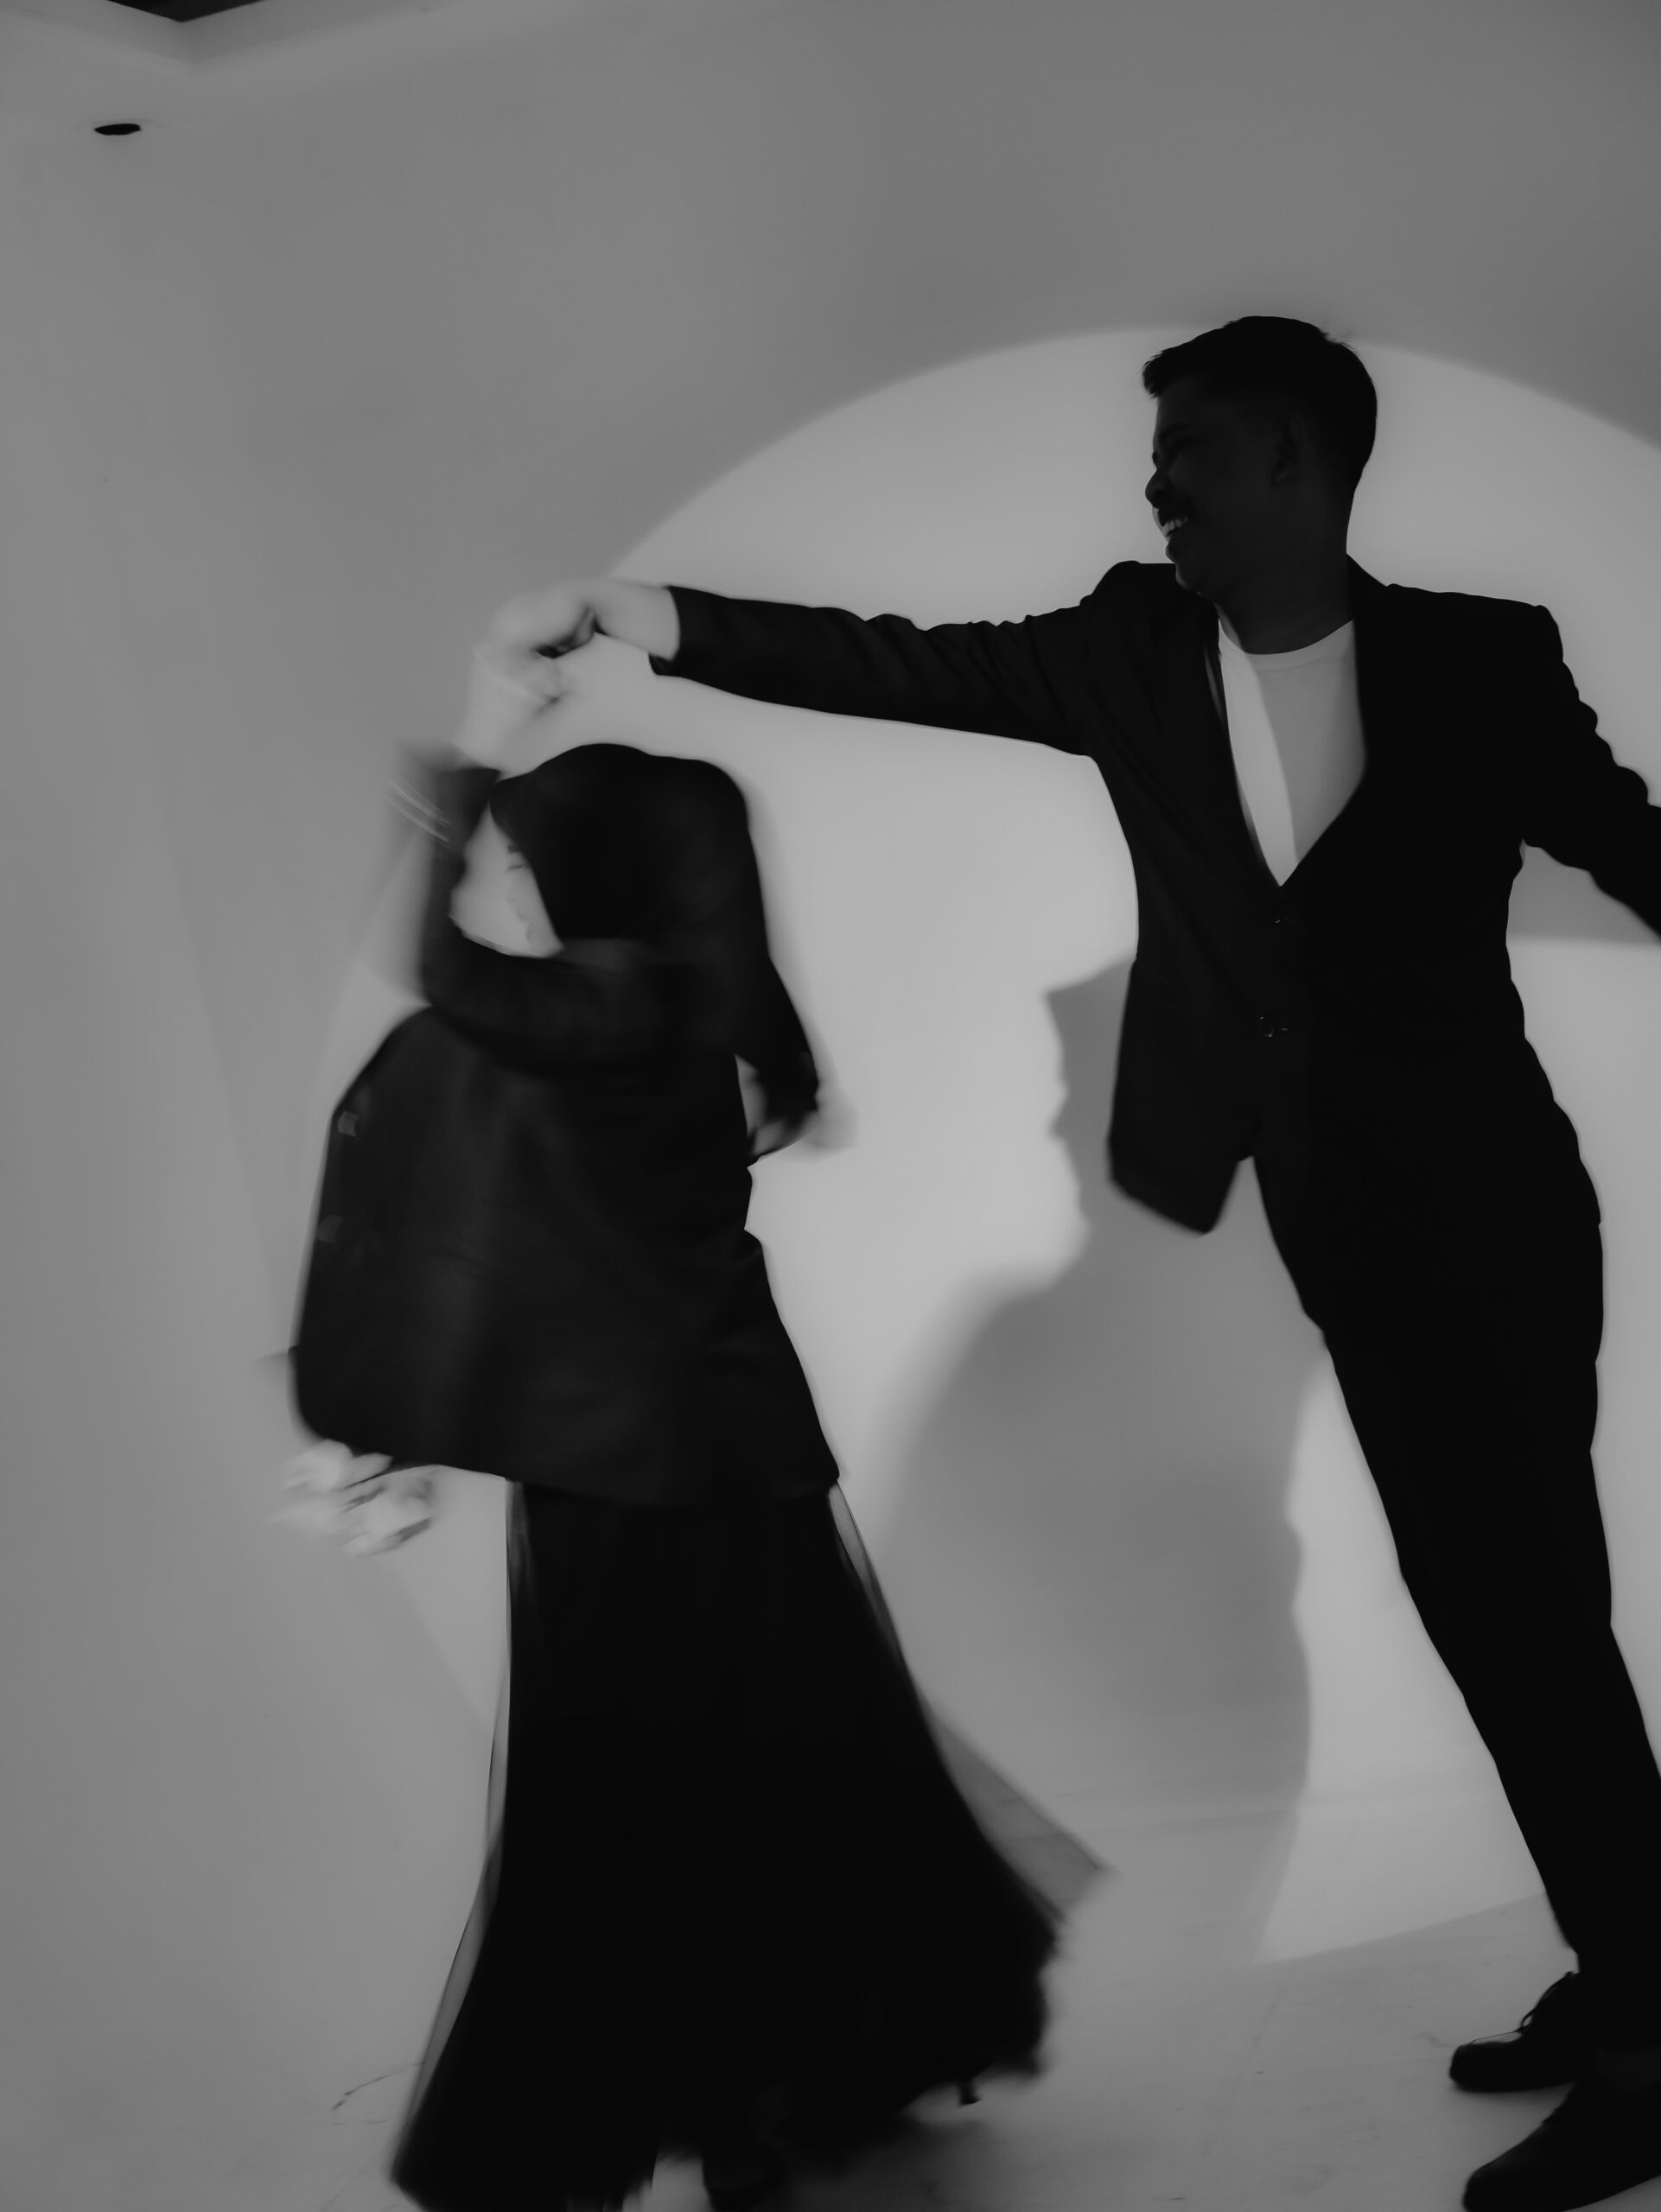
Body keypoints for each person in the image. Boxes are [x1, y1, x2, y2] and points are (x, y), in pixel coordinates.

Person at [486, 316, 1661, 2212]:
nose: (1154, 483)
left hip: (1501, 1214)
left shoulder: (1479, 656)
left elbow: (1630, 846)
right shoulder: (1128, 645)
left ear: (1292, 460)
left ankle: (1647, 2045)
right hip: (1344, 1230)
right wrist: (642, 617)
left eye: (1187, 448)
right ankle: (1635, 1961)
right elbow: (894, 663)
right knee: (1504, 1609)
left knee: (1524, 1610)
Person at [381, 651, 1066, 2212]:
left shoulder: (594, 1006)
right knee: (778, 1763)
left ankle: (725, 2099)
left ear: (598, 872)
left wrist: (464, 770)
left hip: (617, 1474)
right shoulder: (711, 1013)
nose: (517, 888)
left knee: (642, 1786)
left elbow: (441, 974)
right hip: (746, 1454)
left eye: (533, 863)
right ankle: (792, 2068)